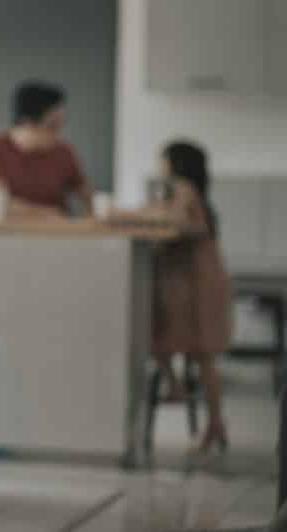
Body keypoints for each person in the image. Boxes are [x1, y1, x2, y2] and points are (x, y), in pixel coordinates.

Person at [117, 140, 232, 453]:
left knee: (196, 350)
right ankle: (194, 404)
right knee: (178, 345)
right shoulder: (188, 190)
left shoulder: (181, 188)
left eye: (161, 159)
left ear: (175, 163)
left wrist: (148, 218)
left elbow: (183, 222)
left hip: (195, 281)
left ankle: (209, 419)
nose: (158, 164)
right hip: (189, 279)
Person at [0, 81, 93, 217]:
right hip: (10, 233)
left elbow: (87, 197)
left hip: (59, 232)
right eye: (53, 125)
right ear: (27, 122)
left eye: (61, 124)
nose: (59, 132)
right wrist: (50, 214)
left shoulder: (64, 151)